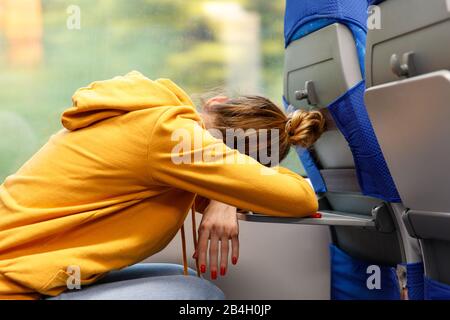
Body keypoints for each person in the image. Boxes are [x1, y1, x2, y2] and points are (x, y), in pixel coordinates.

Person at [0, 71, 326, 299]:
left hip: (20, 270)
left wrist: (225, 193)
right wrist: (228, 191)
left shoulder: (158, 127)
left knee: (178, 275)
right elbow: (300, 198)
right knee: (197, 294)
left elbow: (249, 186)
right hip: (13, 285)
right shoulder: (172, 136)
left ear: (217, 102)